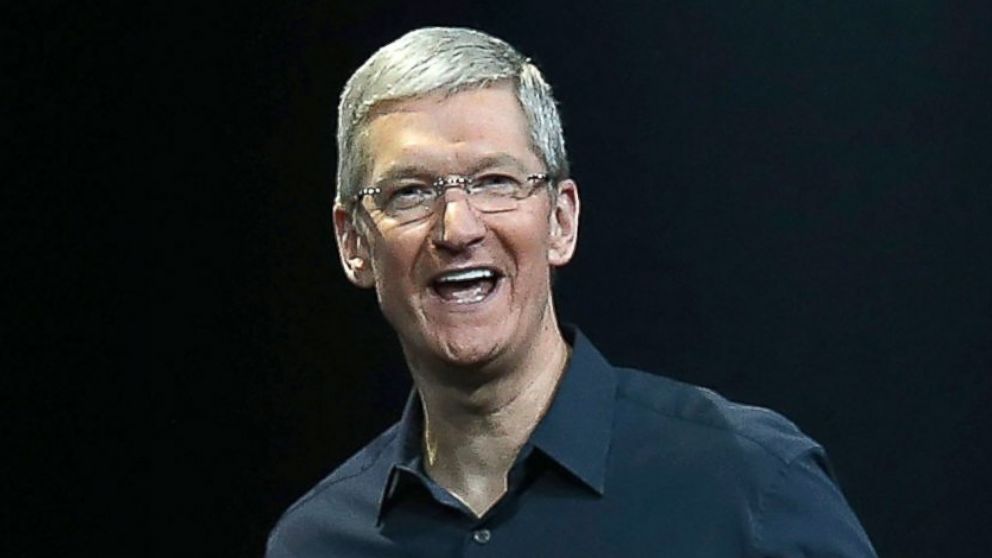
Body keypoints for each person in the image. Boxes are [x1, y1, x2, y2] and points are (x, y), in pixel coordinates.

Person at [266, 27, 876, 557]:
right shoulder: (316, 543)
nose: (458, 228)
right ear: (354, 243)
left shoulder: (751, 484)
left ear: (560, 221)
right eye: (410, 193)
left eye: (495, 181)